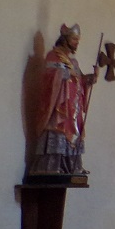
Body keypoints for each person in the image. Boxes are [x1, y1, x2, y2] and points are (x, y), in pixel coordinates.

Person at [27, 23, 96, 176]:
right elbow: (49, 77)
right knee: (57, 130)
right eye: (74, 39)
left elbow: (80, 80)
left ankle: (72, 167)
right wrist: (63, 74)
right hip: (59, 104)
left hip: (73, 105)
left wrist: (90, 79)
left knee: (74, 132)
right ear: (64, 39)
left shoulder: (74, 62)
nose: (77, 43)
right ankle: (50, 166)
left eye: (78, 40)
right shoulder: (53, 56)